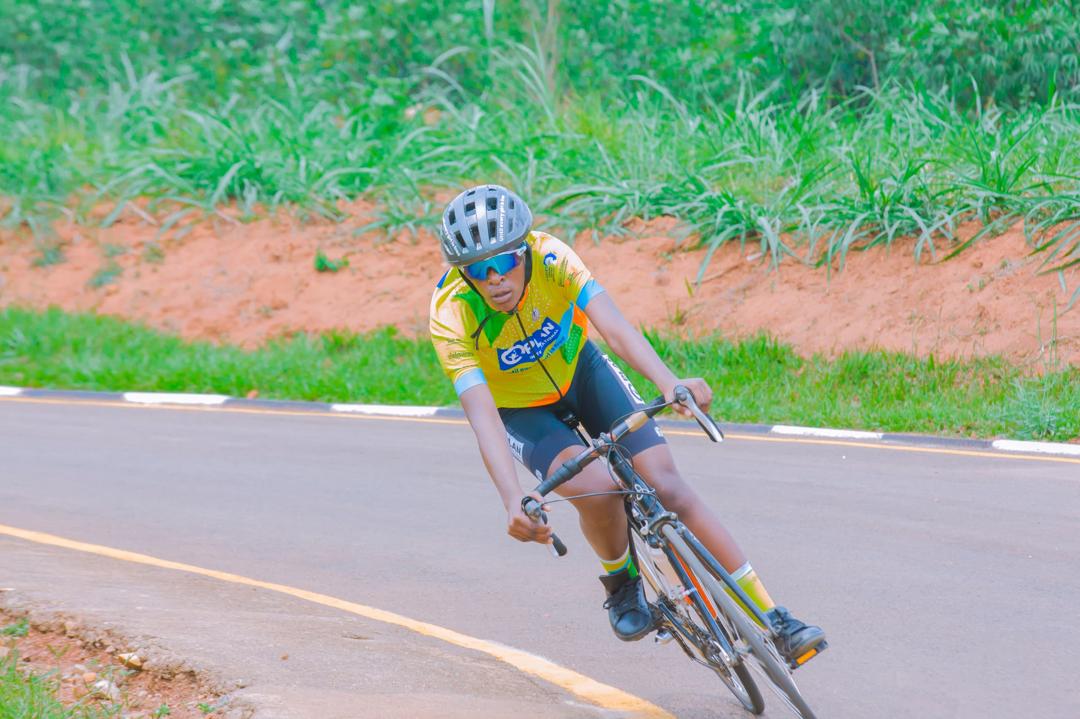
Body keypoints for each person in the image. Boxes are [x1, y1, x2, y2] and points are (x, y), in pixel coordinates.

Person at [429, 184, 826, 663]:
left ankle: (775, 619)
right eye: (477, 269)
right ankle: (621, 582)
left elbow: (613, 327)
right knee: (597, 488)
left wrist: (668, 381)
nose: (494, 278)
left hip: (581, 372)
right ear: (463, 274)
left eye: (506, 261)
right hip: (520, 410)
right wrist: (513, 497)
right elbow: (481, 414)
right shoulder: (450, 312)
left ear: (526, 249)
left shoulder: (552, 257)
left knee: (667, 483)